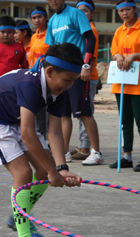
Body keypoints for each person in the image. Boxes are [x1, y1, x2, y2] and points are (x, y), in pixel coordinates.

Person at [0, 43, 83, 237]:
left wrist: (60, 168)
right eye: (68, 80)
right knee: (23, 174)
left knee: (43, 171)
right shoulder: (30, 84)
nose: (70, 86)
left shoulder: (59, 88)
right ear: (50, 72)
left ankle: (18, 215)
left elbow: (54, 132)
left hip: (14, 120)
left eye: (74, 80)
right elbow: (27, 134)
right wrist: (53, 171)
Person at [45, 0, 104, 166]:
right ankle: (63, 152)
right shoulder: (52, 21)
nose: (53, 1)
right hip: (60, 73)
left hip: (76, 72)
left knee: (84, 112)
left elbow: (90, 38)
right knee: (63, 114)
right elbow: (51, 48)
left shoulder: (76, 13)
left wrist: (85, 65)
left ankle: (96, 152)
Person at [108, 0, 140, 172]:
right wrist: (119, 56)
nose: (124, 13)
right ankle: (126, 156)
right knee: (125, 122)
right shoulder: (119, 31)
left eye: (128, 9)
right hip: (121, 83)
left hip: (139, 84)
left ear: (135, 9)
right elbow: (114, 51)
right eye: (121, 10)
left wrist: (134, 55)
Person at [71, 0, 100, 162]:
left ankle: (87, 148)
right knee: (80, 113)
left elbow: (92, 55)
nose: (82, 14)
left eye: (85, 11)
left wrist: (86, 67)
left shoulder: (91, 31)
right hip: (80, 74)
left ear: (92, 13)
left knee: (85, 112)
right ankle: (84, 146)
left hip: (88, 76)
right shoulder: (80, 29)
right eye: (79, 11)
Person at [28, 6, 50, 138]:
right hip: (35, 77)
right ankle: (38, 138)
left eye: (39, 17)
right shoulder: (34, 36)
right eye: (34, 18)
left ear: (46, 17)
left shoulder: (50, 35)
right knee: (37, 109)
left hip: (47, 77)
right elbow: (32, 58)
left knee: (46, 110)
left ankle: (45, 139)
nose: (37, 20)